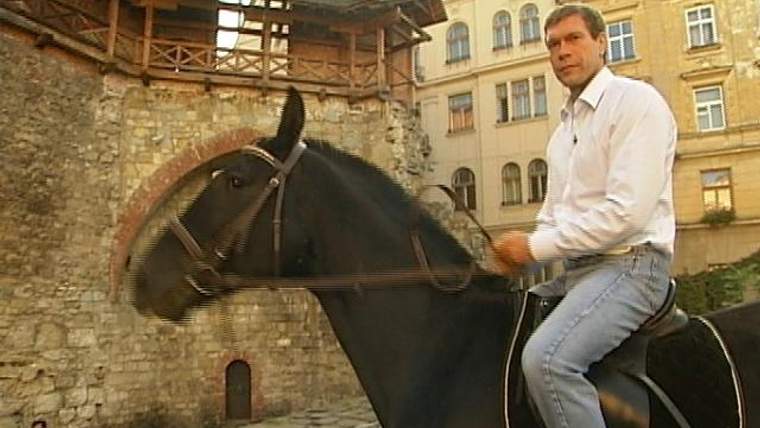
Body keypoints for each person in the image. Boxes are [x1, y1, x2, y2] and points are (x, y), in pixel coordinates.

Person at [492, 3, 677, 428]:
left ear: (602, 43)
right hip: (578, 272)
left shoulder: (635, 102)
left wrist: (533, 247)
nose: (562, 52)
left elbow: (627, 213)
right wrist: (517, 259)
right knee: (496, 327)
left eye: (573, 39)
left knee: (547, 360)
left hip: (633, 267)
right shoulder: (562, 135)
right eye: (553, 44)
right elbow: (555, 217)